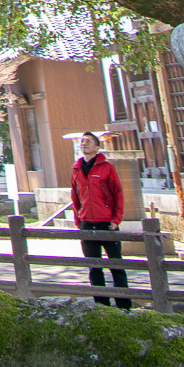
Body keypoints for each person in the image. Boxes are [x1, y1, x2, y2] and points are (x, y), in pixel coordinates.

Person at [71, 130, 131, 309]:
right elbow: (75, 197)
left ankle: (124, 305)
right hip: (87, 222)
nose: (84, 144)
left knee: (116, 264)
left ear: (97, 147)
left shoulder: (106, 167)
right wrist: (79, 221)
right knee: (94, 266)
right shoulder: (76, 168)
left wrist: (116, 219)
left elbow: (118, 194)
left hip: (107, 222)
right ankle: (102, 306)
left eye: (88, 141)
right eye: (82, 141)